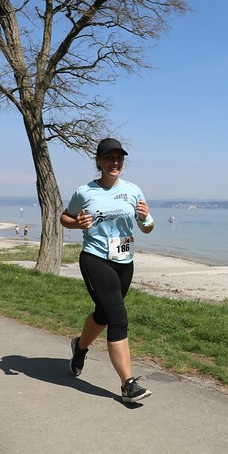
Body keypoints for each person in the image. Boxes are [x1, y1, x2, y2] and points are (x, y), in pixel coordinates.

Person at [60, 137, 155, 404]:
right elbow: (64, 217)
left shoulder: (133, 190)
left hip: (124, 261)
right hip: (95, 259)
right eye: (110, 158)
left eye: (119, 158)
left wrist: (146, 217)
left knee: (103, 314)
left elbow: (147, 226)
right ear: (99, 161)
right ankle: (128, 384)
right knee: (118, 318)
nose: (115, 163)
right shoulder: (85, 192)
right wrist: (78, 224)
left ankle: (79, 347)